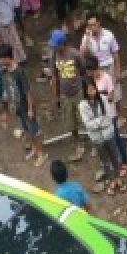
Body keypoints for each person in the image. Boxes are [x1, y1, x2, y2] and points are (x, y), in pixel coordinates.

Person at [0, 44, 43, 165]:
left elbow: (27, 91)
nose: (0, 61)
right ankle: (34, 149)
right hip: (17, 107)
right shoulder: (4, 71)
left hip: (26, 106)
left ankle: (40, 154)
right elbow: (6, 89)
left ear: (8, 57)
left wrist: (30, 109)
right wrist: (7, 108)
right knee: (27, 130)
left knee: (34, 130)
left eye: (2, 59)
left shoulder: (19, 71)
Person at [79, 76, 124, 194]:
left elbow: (109, 117)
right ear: (85, 91)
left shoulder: (103, 99)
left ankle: (118, 178)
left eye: (93, 89)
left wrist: (96, 121)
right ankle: (111, 180)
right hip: (97, 139)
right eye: (89, 90)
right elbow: (88, 124)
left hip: (108, 134)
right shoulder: (83, 105)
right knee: (105, 161)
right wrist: (100, 121)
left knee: (115, 157)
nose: (92, 92)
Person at [47, 29, 83, 159]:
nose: (54, 48)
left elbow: (83, 71)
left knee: (84, 118)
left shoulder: (75, 54)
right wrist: (56, 97)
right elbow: (55, 77)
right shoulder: (54, 57)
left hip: (79, 92)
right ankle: (77, 143)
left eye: (56, 46)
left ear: (63, 44)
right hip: (65, 95)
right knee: (70, 122)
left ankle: (96, 142)